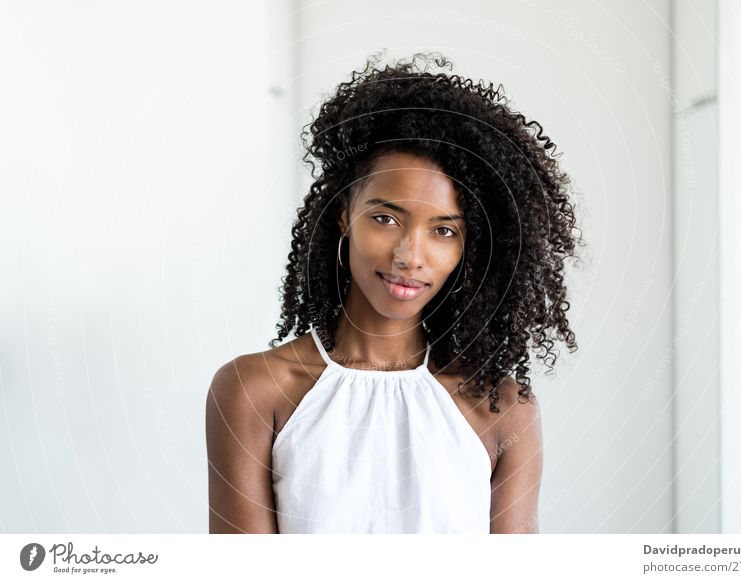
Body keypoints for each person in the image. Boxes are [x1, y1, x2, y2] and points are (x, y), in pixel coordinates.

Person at [206, 52, 583, 534]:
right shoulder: (253, 390)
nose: (410, 255)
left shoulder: (502, 408)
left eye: (444, 231)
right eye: (386, 218)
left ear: (471, 247)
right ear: (345, 214)